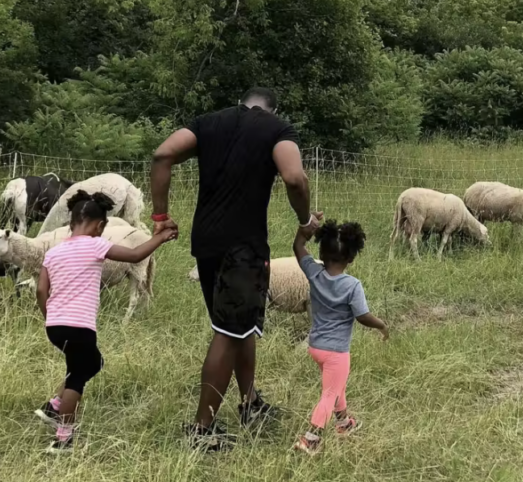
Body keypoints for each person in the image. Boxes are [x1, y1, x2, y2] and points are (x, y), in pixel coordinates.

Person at [150, 87, 321, 451]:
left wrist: (160, 216)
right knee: (227, 332)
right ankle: (202, 430)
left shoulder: (209, 123)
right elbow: (295, 178)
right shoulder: (276, 129)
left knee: (240, 327)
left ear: (241, 102)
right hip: (243, 248)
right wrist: (306, 220)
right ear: (273, 109)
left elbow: (162, 154)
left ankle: (250, 403)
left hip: (206, 243)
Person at [34, 190, 175, 453]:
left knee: (92, 363)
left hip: (55, 325)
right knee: (78, 376)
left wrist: (49, 316)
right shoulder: (95, 245)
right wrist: (160, 237)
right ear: (100, 226)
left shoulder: (53, 252)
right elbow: (135, 255)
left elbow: (41, 290)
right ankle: (63, 437)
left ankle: (54, 406)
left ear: (71, 222)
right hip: (80, 326)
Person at [291, 219, 388, 456]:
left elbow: (298, 247)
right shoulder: (352, 285)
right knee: (329, 393)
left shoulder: (314, 273)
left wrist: (306, 227)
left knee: (336, 385)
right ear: (351, 258)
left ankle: (344, 423)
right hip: (337, 351)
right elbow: (362, 316)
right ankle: (311, 438)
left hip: (316, 347)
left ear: (321, 254)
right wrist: (381, 325)